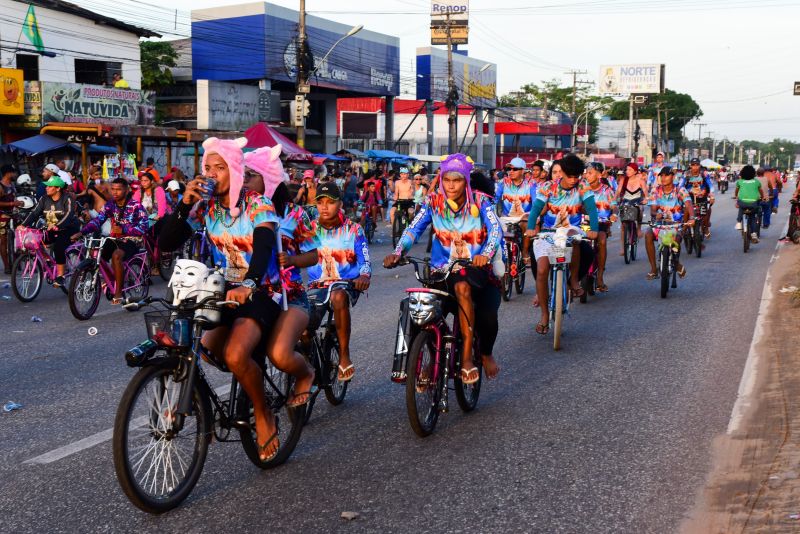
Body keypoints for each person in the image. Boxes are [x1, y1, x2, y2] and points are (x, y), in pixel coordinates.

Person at [158, 137, 303, 462]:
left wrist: (250, 282)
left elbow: (264, 244)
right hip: (221, 289)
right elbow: (166, 242)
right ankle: (203, 409)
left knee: (237, 355)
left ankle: (263, 414)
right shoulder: (206, 207)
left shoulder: (257, 203)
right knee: (201, 349)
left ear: (234, 170)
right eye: (206, 167)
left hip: (261, 291)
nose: (210, 174)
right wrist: (184, 204)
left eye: (218, 168)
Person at [384, 153, 502, 383]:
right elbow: (413, 229)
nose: (451, 186)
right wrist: (398, 252)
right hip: (441, 271)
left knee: (485, 315)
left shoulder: (480, 202)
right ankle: (428, 359)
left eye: (457, 180)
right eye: (447, 180)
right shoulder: (432, 202)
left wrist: (485, 255)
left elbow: (495, 231)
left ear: (466, 181)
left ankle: (472, 357)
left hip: (476, 272)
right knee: (421, 310)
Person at [244, 145, 318, 407]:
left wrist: (292, 260)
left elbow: (314, 255)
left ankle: (306, 373)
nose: (244, 181)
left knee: (280, 355)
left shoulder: (295, 214)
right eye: (242, 174)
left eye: (251, 175)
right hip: (252, 296)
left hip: (290, 296)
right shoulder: (239, 212)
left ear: (269, 179)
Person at [524, 155, 599, 334]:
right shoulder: (549, 187)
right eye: (570, 176)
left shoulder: (582, 187)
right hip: (549, 232)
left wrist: (594, 229)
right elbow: (535, 209)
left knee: (576, 239)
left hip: (571, 230)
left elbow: (592, 208)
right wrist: (530, 228)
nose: (573, 180)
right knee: (542, 269)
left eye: (577, 176)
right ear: (562, 173)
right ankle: (543, 315)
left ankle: (573, 280)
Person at [307, 182, 371, 381]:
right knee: (302, 323)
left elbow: (365, 259)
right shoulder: (308, 229)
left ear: (340, 204)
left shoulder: (354, 229)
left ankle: (344, 356)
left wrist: (364, 275)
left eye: (330, 202)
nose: (325, 207)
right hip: (316, 286)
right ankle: (306, 364)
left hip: (345, 285)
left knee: (337, 296)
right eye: (320, 202)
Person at [72, 178, 148, 304]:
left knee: (116, 255)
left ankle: (118, 292)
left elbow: (144, 227)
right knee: (93, 250)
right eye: (113, 189)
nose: (115, 192)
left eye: (118, 189)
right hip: (114, 239)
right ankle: (106, 278)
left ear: (126, 190)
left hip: (132, 240)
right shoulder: (110, 205)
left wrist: (124, 229)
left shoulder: (136, 206)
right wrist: (82, 232)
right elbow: (98, 220)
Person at [18, 175, 80, 286]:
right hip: (51, 228)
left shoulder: (67, 198)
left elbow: (69, 214)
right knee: (35, 241)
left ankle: (60, 276)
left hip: (69, 228)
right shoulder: (44, 199)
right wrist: (23, 225)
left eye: (49, 186)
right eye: (47, 186)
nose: (46, 188)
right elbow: (34, 213)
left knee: (58, 246)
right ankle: (48, 259)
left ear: (58, 188)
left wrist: (58, 225)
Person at [644, 167, 694, 280]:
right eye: (661, 175)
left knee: (676, 240)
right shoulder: (655, 190)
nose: (663, 178)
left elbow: (688, 204)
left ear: (673, 176)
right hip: (659, 224)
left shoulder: (680, 190)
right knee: (648, 234)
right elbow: (652, 209)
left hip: (676, 225)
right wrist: (655, 214)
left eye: (666, 175)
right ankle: (653, 269)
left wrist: (691, 217)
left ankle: (676, 264)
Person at [495, 157, 535, 265]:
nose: (511, 172)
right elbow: (494, 199)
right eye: (509, 169)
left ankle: (525, 252)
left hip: (524, 218)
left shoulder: (531, 185)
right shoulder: (503, 183)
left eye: (515, 169)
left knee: (526, 221)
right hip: (506, 217)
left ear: (523, 171)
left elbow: (536, 204)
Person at [584, 162, 617, 291]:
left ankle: (600, 276)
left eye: (590, 173)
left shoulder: (607, 190)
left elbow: (614, 206)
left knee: (602, 240)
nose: (587, 175)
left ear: (599, 175)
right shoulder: (582, 188)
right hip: (585, 224)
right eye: (586, 172)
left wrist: (613, 214)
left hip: (601, 224)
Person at [616, 162, 648, 256]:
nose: (627, 171)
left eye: (630, 170)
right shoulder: (623, 180)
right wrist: (613, 200)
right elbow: (618, 191)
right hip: (626, 200)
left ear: (635, 171)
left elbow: (645, 191)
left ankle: (638, 229)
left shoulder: (640, 180)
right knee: (623, 225)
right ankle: (622, 248)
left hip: (637, 200)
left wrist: (646, 198)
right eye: (627, 169)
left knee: (640, 209)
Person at [734, 165, 767, 243]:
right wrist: (763, 197)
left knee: (741, 206)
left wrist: (736, 196)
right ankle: (754, 234)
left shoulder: (740, 181)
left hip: (742, 202)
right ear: (753, 173)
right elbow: (761, 191)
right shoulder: (756, 181)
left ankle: (739, 222)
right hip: (754, 203)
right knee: (752, 217)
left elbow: (737, 191)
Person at [0, 165, 23, 273]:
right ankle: (7, 267)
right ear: (8, 173)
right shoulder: (0, 186)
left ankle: (16, 262)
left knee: (18, 239)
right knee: (3, 242)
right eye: (13, 172)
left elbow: (14, 198)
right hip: (2, 217)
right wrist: (12, 203)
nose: (15, 175)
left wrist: (18, 203)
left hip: (13, 215)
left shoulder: (12, 185)